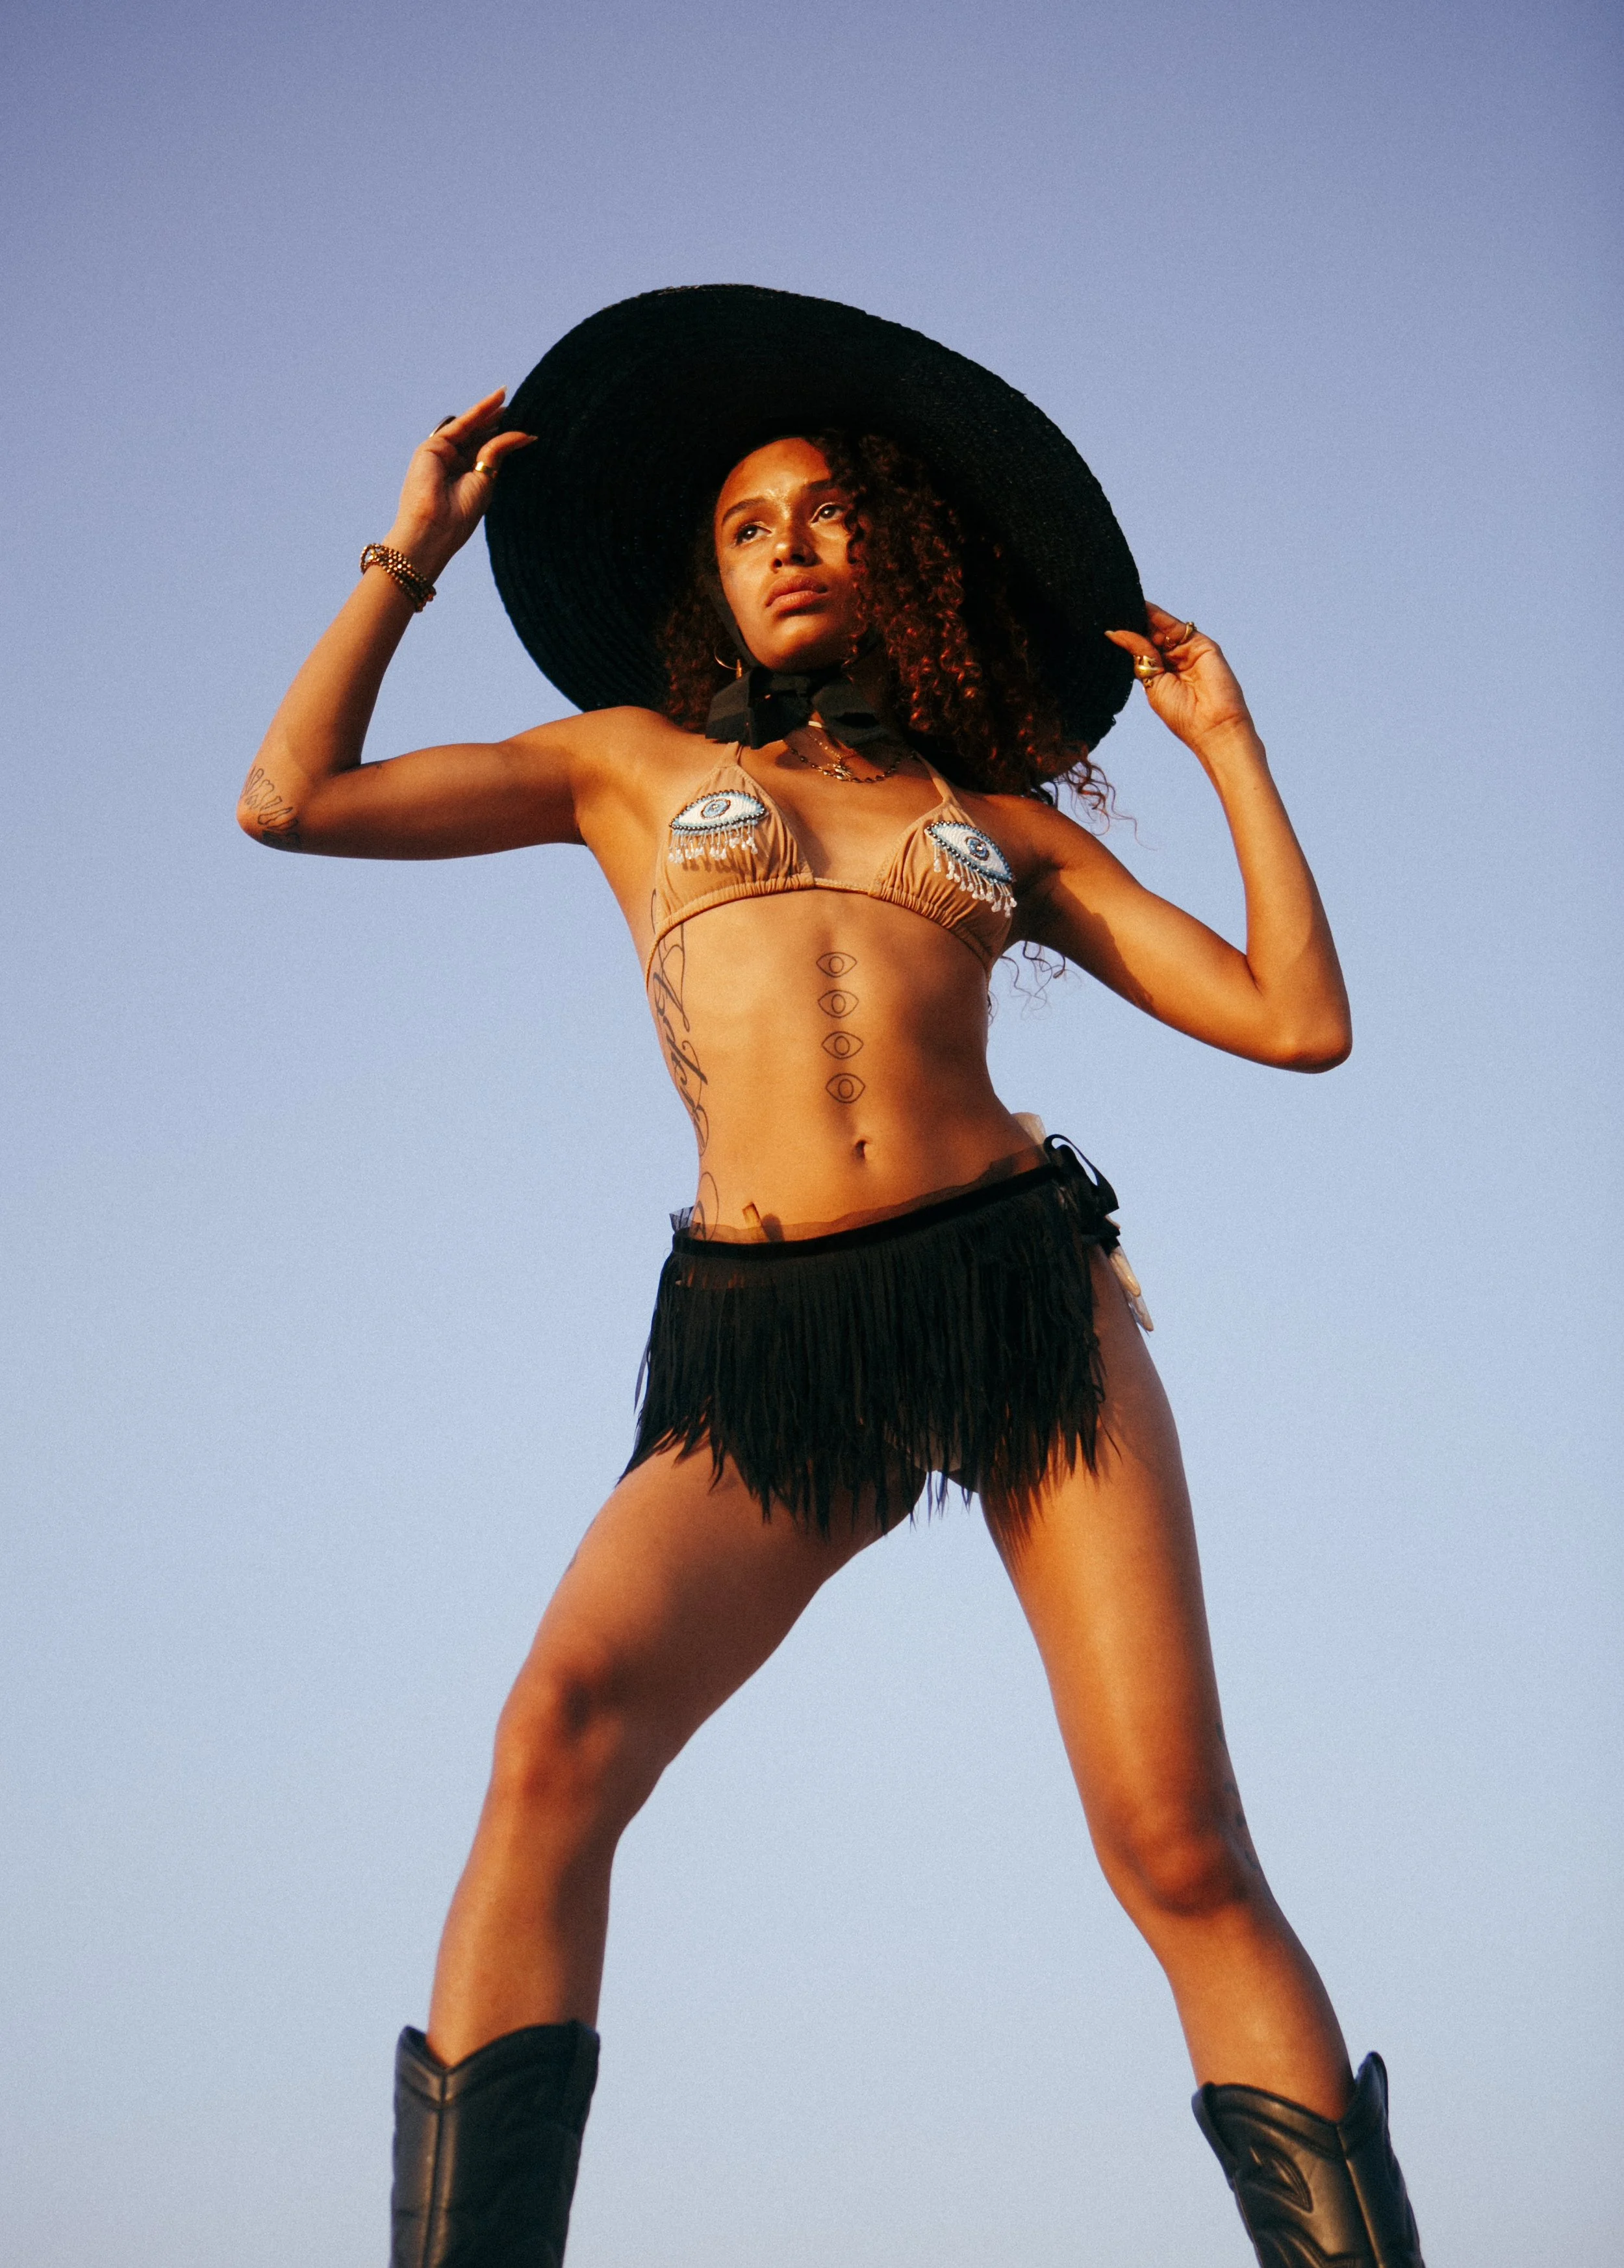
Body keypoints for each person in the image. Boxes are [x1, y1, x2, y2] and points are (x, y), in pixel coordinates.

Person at [240, 287, 1425, 2268]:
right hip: (767, 1333)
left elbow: (1295, 1023)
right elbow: (294, 803)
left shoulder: (998, 827)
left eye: (822, 509)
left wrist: (1231, 749)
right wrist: (405, 562)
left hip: (1018, 1299)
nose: (788, 539)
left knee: (1177, 1846)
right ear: (704, 579)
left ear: (898, 553)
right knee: (556, 1738)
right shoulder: (619, 766)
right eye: (744, 521)